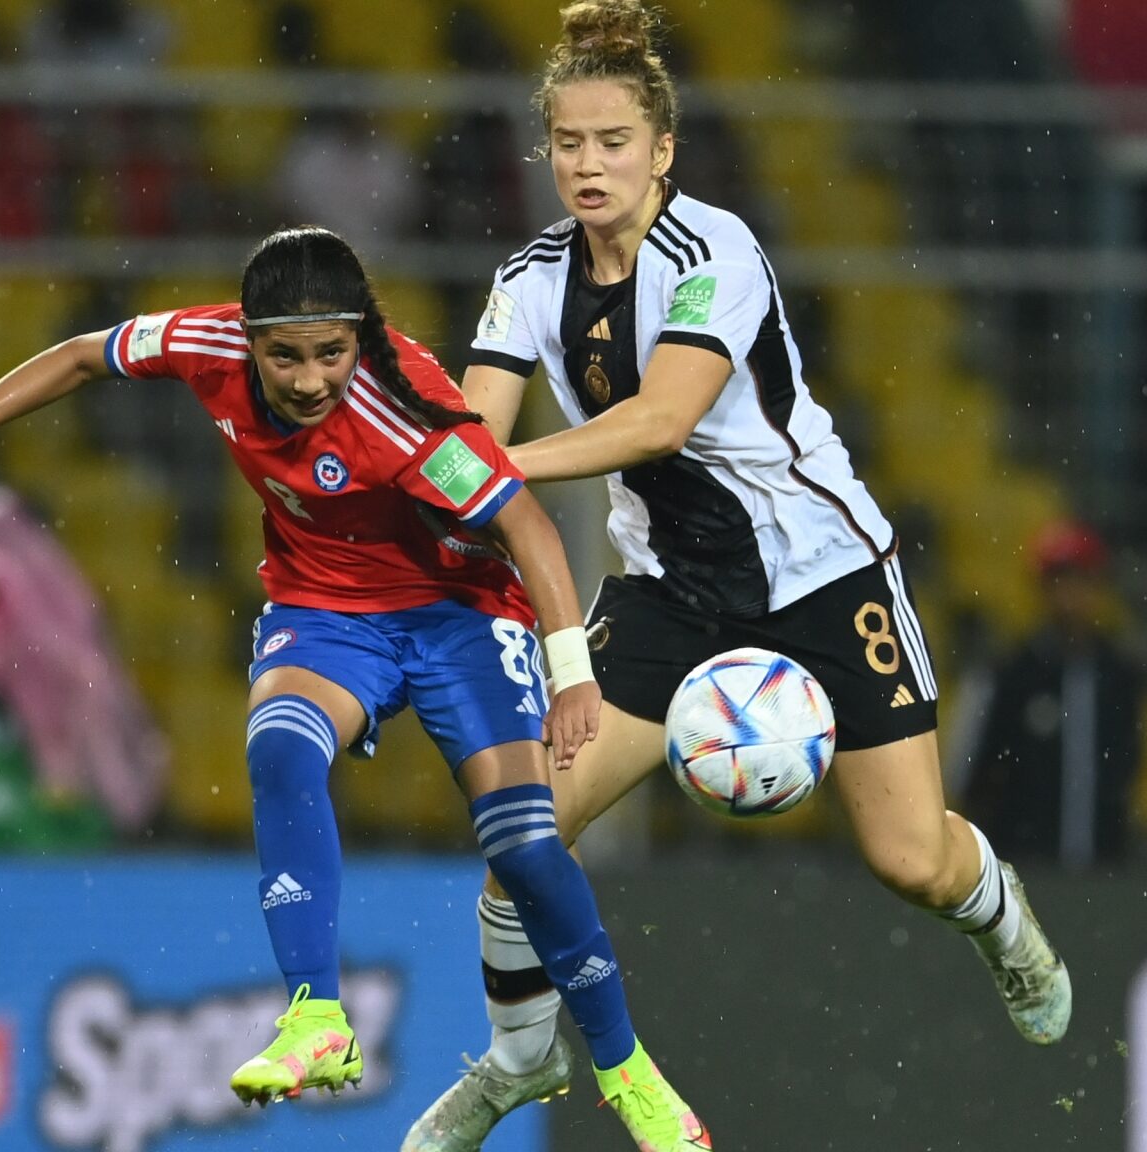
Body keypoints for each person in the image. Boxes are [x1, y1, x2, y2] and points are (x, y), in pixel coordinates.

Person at [404, 4, 1073, 1148]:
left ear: (660, 150)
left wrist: (490, 471)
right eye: (567, 144)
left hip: (819, 576)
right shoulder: (525, 280)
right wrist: (426, 481)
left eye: (612, 142)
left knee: (907, 859)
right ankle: (519, 1063)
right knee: (520, 830)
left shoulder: (713, 253)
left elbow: (659, 422)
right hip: (668, 590)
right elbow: (467, 426)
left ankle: (1001, 918)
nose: (587, 165)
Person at [0, 226, 712, 1149]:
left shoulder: (407, 417)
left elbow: (530, 528)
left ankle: (621, 1065)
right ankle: (317, 1017)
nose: (312, 378)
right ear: (249, 338)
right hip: (323, 610)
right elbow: (83, 357)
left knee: (523, 845)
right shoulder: (205, 346)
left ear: (361, 336)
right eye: (287, 355)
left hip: (460, 615)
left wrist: (570, 674)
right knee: (279, 745)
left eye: (333, 352)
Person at [959, 519, 1147, 869]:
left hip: (1106, 868)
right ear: (1042, 588)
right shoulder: (1010, 675)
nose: (1070, 595)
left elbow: (1137, 765)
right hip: (1024, 869)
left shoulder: (1120, 676)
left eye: (1081, 581)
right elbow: (971, 772)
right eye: (1060, 581)